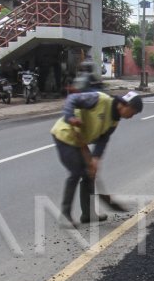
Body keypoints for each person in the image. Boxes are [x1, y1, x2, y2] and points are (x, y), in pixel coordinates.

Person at [52, 82, 144, 226]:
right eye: (133, 113)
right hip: (65, 134)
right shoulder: (99, 99)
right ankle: (65, 215)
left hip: (79, 141)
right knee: (76, 172)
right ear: (125, 105)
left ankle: (88, 214)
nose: (131, 117)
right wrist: (70, 117)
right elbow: (72, 99)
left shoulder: (114, 121)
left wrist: (95, 159)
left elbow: (103, 140)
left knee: (89, 174)